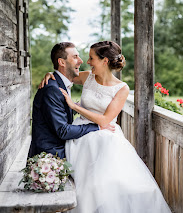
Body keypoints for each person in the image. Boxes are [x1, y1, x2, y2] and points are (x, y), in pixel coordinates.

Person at [40, 41, 171, 213]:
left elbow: (105, 121)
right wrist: (50, 74)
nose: (87, 62)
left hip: (105, 133)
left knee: (107, 181)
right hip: (81, 132)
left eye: (91, 58)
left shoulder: (121, 88)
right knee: (85, 183)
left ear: (105, 61)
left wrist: (74, 106)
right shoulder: (88, 77)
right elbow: (64, 75)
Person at [28, 42, 113, 159]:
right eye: (75, 57)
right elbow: (63, 130)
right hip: (51, 155)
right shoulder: (52, 89)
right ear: (61, 62)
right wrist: (97, 127)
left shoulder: (62, 83)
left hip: (65, 146)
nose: (81, 61)